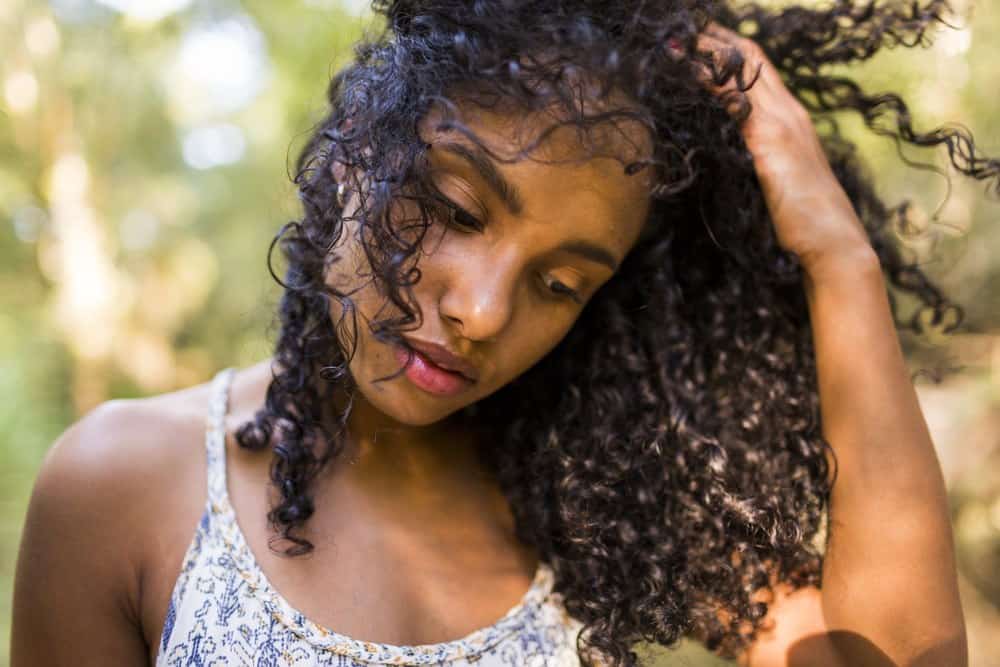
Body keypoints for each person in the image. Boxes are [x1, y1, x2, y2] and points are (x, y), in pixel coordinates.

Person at [11, 0, 989, 665]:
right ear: (354, 145)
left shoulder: (600, 513)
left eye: (559, 284)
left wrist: (837, 259)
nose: (481, 310)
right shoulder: (122, 485)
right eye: (452, 207)